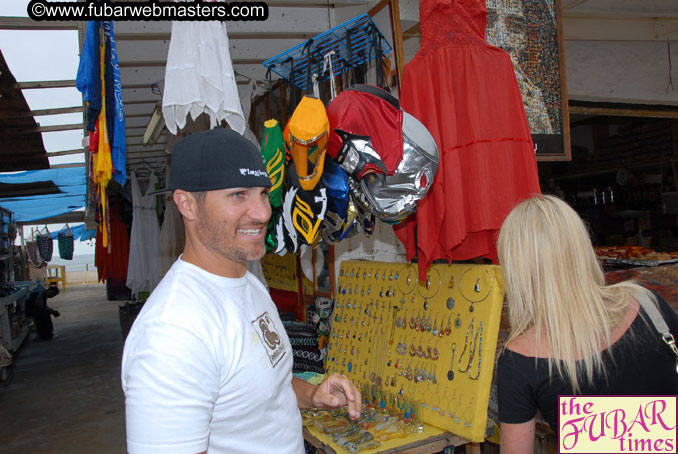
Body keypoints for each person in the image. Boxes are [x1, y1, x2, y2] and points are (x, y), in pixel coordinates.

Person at [121, 127, 361, 454]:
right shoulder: (172, 334)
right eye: (238, 195)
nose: (263, 212)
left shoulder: (249, 284)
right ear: (187, 204)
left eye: (262, 193)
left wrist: (313, 394)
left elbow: (260, 385)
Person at [496, 195, 678, 453]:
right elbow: (641, 436)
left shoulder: (519, 359)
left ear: (515, 269)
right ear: (580, 245)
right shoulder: (645, 302)